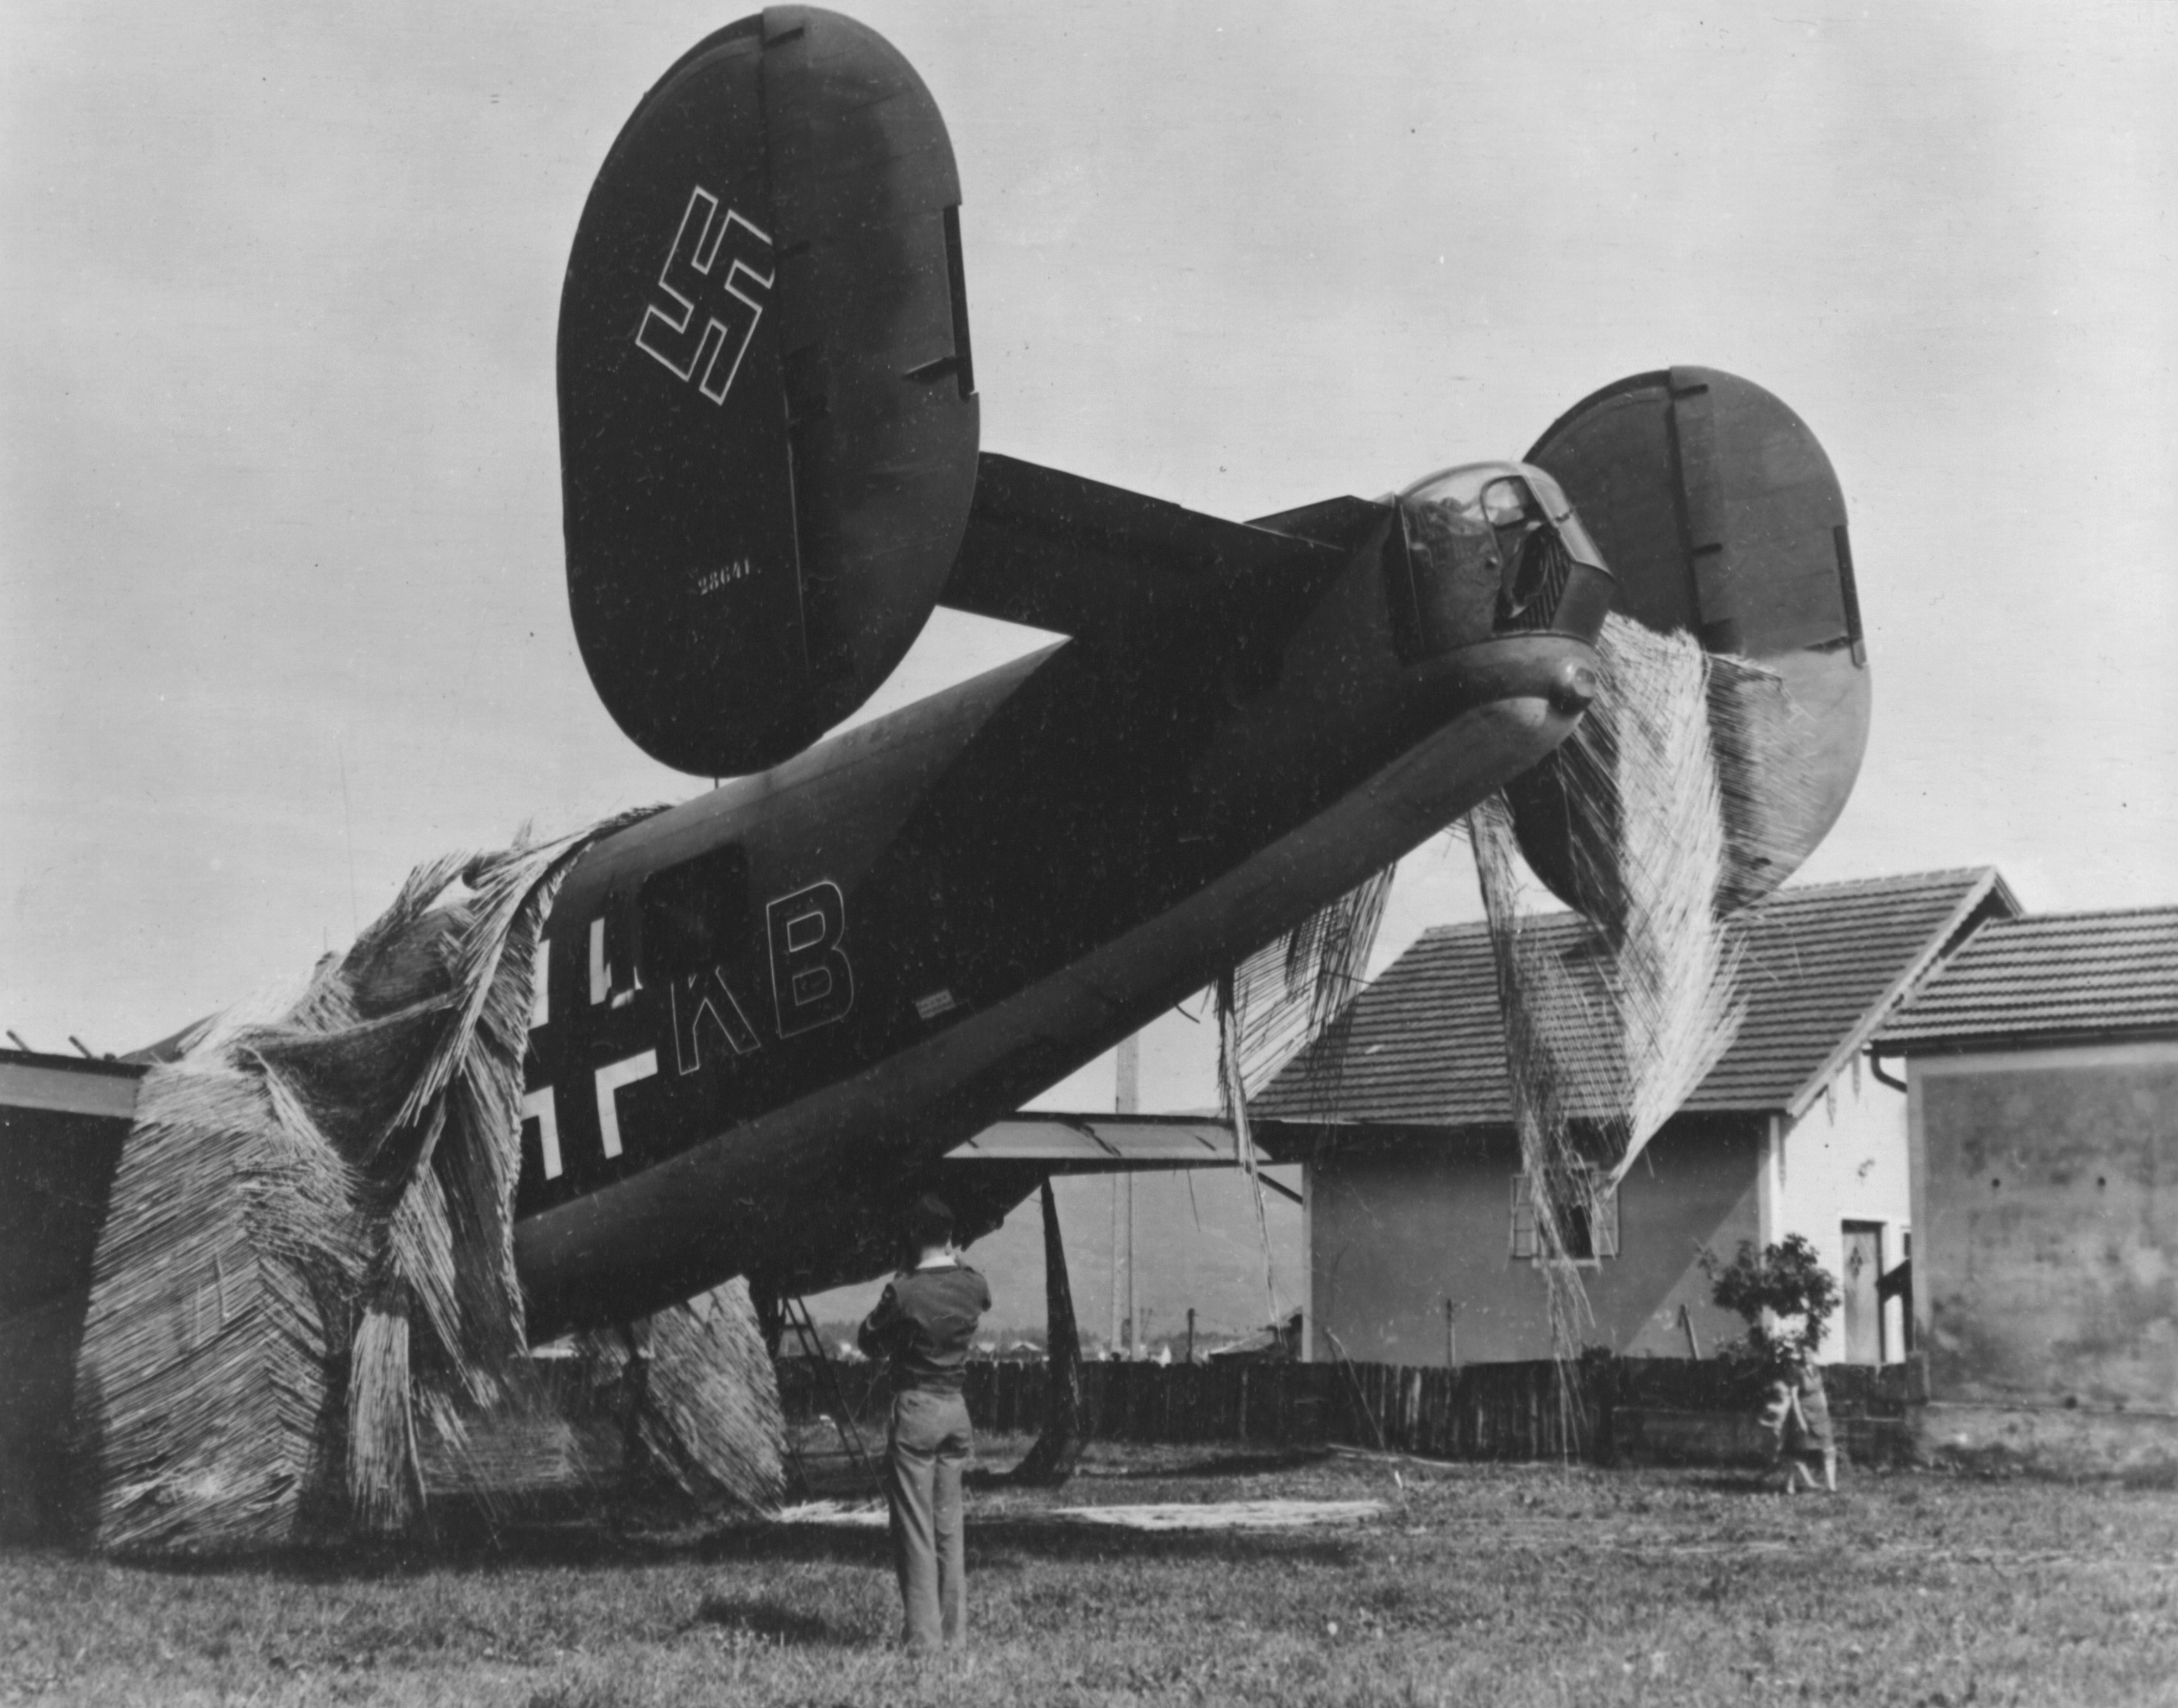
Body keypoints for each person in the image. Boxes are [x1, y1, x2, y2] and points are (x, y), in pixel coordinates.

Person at [858, 1192, 990, 1650]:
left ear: (912, 1236)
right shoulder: (974, 1285)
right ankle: (953, 1640)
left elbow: (868, 1340)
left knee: (915, 1532)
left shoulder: (904, 1291)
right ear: (951, 1235)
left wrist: (903, 1278)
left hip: (917, 1410)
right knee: (948, 1530)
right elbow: (978, 1292)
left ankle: (923, 1644)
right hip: (956, 1410)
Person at [1758, 1342, 1837, 1493]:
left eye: (1809, 1352)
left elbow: (1820, 1392)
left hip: (1820, 1415)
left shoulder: (1817, 1370)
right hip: (1804, 1413)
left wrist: (1825, 1408)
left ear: (1814, 1353)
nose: (1806, 1356)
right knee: (1796, 1452)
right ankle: (1789, 1486)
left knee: (1829, 1449)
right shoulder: (1796, 1371)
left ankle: (1832, 1487)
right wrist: (1800, 1419)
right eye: (1803, 1352)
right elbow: (1794, 1397)